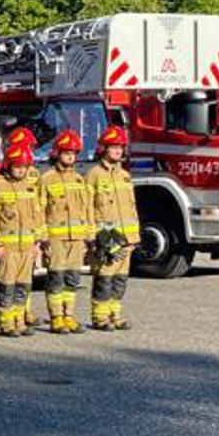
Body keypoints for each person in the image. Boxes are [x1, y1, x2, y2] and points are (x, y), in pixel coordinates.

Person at [39, 130, 94, 334]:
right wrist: (43, 238)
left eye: (73, 153)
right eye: (66, 152)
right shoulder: (47, 179)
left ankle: (68, 316)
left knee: (72, 278)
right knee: (56, 278)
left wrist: (90, 235)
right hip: (56, 240)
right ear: (57, 153)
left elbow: (87, 209)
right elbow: (39, 210)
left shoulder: (80, 180)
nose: (70, 156)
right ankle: (56, 317)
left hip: (76, 239)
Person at [0, 132, 47, 337]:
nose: (21, 171)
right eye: (17, 167)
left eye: (24, 167)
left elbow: (38, 217)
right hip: (7, 248)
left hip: (26, 247)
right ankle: (6, 322)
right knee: (6, 285)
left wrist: (37, 244)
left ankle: (19, 320)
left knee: (23, 285)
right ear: (8, 166)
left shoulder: (31, 188)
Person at [88, 125, 141, 330]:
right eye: (113, 147)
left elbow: (132, 207)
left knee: (120, 279)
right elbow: (88, 207)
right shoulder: (94, 175)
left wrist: (134, 236)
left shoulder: (124, 175)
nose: (118, 151)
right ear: (103, 149)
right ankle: (100, 316)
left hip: (126, 238)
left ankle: (115, 314)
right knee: (104, 277)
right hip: (106, 238)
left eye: (120, 147)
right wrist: (94, 237)